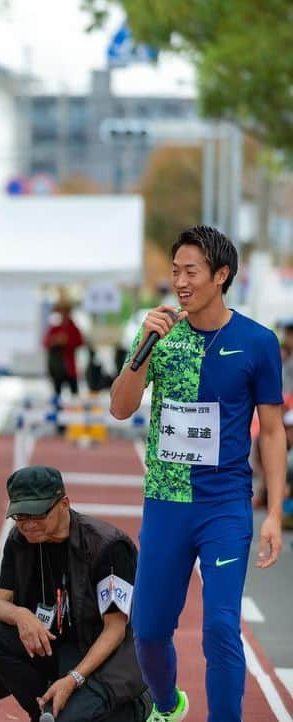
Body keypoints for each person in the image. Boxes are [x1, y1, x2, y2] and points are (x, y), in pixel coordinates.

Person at [109, 226, 285, 722]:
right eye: (175, 272)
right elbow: (120, 408)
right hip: (166, 500)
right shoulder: (159, 337)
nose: (180, 282)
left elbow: (271, 432)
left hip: (225, 503)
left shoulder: (257, 342)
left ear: (221, 275)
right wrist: (142, 348)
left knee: (221, 627)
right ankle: (168, 706)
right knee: (147, 630)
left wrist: (272, 513)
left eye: (191, 272)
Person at [0, 466, 151, 721]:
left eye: (37, 514)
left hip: (103, 654)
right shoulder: (19, 540)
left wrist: (73, 679)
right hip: (57, 645)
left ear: (64, 504)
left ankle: (142, 706)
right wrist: (21, 615)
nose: (28, 525)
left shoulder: (108, 546)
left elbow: (115, 630)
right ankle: (44, 713)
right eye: (20, 516)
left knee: (75, 716)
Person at [43, 301, 84, 399]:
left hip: (70, 367)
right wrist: (55, 340)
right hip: (57, 368)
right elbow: (45, 343)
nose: (64, 314)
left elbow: (80, 341)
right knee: (57, 393)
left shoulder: (73, 328)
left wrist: (66, 341)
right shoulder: (54, 328)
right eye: (62, 311)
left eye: (66, 311)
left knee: (74, 393)